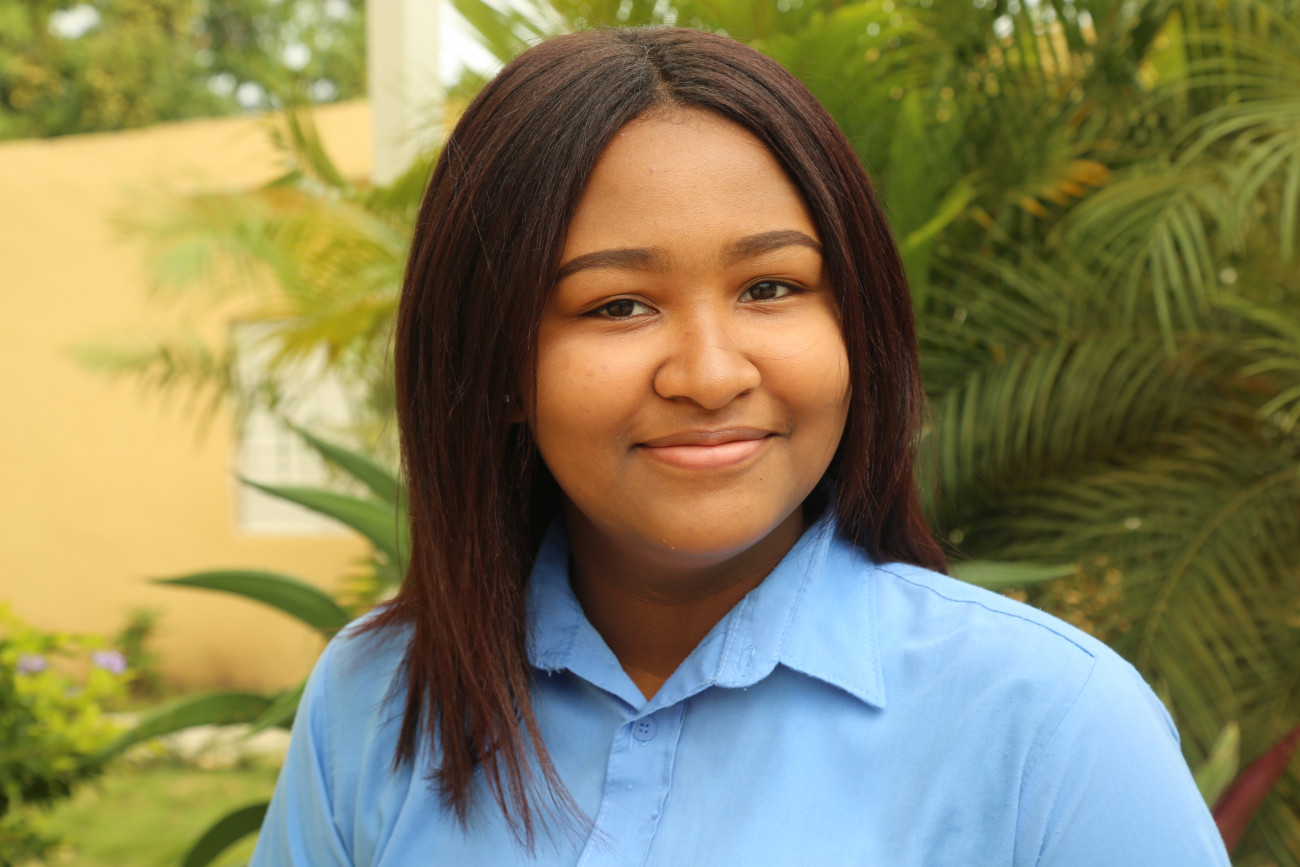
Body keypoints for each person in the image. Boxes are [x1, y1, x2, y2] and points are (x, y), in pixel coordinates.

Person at [251, 27, 1230, 866]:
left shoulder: (1050, 725)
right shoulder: (375, 699)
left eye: (771, 288)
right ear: (496, 363)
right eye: (617, 304)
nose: (711, 375)